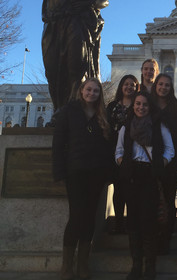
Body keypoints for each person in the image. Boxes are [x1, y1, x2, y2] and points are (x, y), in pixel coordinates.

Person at [52, 78, 112, 280]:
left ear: (99, 94)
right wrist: (59, 172)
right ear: (81, 90)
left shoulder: (102, 114)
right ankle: (66, 266)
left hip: (96, 173)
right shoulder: (69, 111)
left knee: (89, 218)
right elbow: (58, 144)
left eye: (96, 91)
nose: (91, 93)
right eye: (89, 89)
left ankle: (83, 265)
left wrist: (108, 173)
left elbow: (107, 148)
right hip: (75, 171)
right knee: (76, 216)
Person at [115, 91, 174, 280]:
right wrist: (124, 164)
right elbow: (118, 151)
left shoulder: (159, 126)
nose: (141, 107)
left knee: (148, 222)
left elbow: (170, 149)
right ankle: (136, 265)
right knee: (132, 221)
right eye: (138, 104)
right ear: (133, 106)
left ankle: (150, 266)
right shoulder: (126, 127)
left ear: (150, 107)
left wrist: (159, 165)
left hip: (150, 175)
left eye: (145, 105)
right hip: (132, 176)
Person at [151, 74, 177, 255]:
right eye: (161, 84)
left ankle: (165, 239)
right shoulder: (147, 106)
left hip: (171, 165)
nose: (163, 87)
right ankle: (151, 239)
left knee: (169, 203)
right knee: (150, 203)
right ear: (156, 86)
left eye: (167, 85)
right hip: (148, 164)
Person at [107, 75, 140, 234]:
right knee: (118, 189)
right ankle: (119, 222)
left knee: (132, 190)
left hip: (134, 151)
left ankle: (132, 223)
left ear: (136, 87)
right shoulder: (112, 106)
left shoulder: (138, 105)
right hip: (115, 151)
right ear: (121, 87)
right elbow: (105, 127)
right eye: (126, 84)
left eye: (132, 85)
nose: (129, 87)